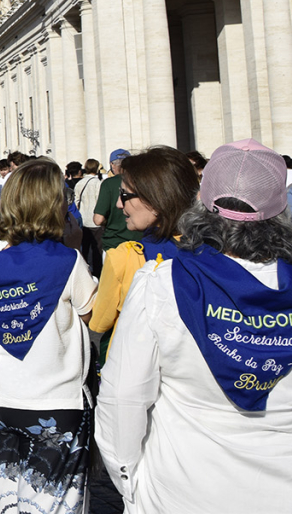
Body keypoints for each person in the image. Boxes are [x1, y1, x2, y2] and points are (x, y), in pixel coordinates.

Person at [96, 139, 292, 512]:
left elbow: (123, 399)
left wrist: (132, 485)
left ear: (201, 203)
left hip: (183, 489)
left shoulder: (160, 283)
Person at [0, 159, 98, 513]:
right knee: (50, 502)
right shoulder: (68, 260)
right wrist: (76, 247)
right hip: (50, 398)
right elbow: (92, 315)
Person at [88, 147, 198, 354]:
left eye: (124, 195)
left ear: (156, 199)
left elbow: (99, 322)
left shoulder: (123, 257)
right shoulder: (212, 251)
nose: (119, 204)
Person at [93, 148, 137, 252]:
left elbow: (98, 219)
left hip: (114, 243)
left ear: (112, 165)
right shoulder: (140, 181)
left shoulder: (108, 184)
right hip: (139, 243)